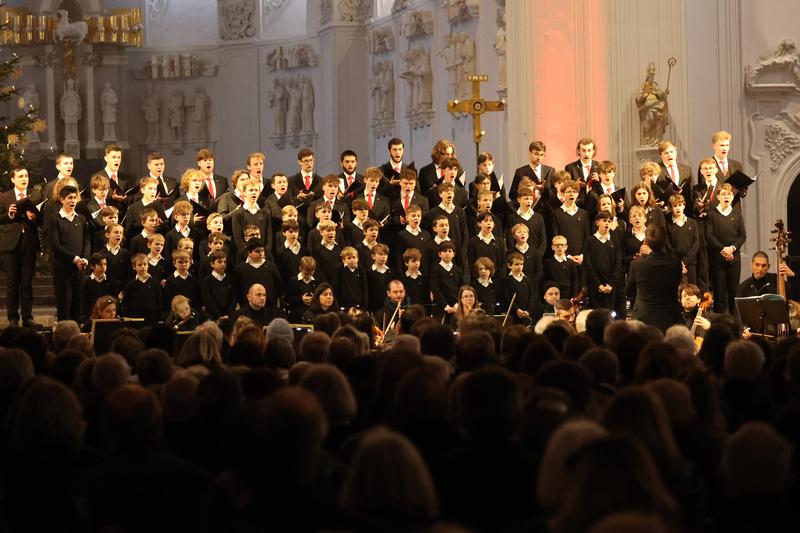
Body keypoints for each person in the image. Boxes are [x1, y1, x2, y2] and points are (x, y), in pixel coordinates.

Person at [0, 166, 44, 327]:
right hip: (11, 244)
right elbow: (1, 218)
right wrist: (9, 215)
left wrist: (34, 217)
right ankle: (12, 318)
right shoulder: (4, 197)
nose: (24, 179)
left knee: (26, 282)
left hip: (29, 243)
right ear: (13, 179)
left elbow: (41, 221)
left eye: (25, 176)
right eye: (20, 176)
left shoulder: (35, 196)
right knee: (12, 283)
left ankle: (27, 317)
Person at [626, 223, 682, 330]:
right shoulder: (676, 263)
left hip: (643, 320)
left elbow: (629, 293)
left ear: (646, 241)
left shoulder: (637, 265)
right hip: (669, 319)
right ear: (665, 241)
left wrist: (643, 258)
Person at [46, 185, 90, 322]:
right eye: (69, 198)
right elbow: (55, 245)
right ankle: (64, 335)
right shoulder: (55, 219)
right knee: (65, 303)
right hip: (62, 268)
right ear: (61, 199)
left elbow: (86, 240)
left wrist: (84, 258)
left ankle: (77, 333)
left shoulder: (81, 218)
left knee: (77, 303)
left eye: (74, 198)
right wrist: (75, 259)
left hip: (79, 267)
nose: (72, 201)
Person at [706, 184, 746, 314]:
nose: (726, 196)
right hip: (718, 258)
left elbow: (742, 235)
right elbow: (709, 236)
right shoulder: (712, 214)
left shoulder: (737, 214)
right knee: (719, 293)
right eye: (723, 194)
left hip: (734, 258)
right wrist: (723, 250)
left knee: (733, 293)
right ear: (718, 197)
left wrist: (732, 248)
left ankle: (735, 326)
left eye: (729, 194)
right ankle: (720, 327)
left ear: (732, 196)